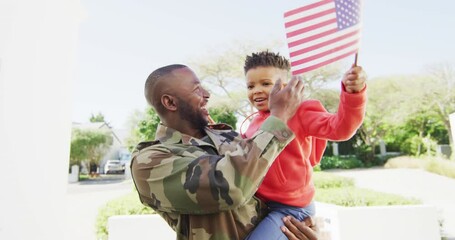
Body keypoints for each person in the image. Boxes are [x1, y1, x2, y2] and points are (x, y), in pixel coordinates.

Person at [130, 64, 318, 240]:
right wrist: (279, 117)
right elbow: (231, 187)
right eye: (197, 90)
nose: (207, 94)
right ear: (170, 102)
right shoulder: (150, 161)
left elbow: (266, 189)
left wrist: (295, 229)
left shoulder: (226, 135)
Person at [242, 51, 367, 240]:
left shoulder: (301, 111)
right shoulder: (250, 124)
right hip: (260, 206)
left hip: (291, 209)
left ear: (287, 87)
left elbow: (341, 128)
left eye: (266, 83)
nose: (256, 90)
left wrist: (354, 94)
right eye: (250, 86)